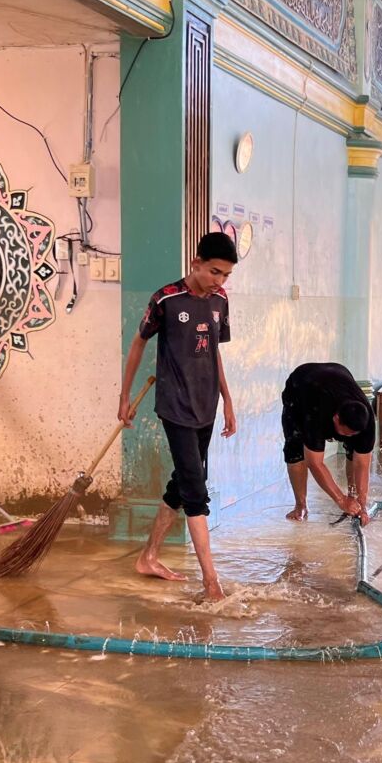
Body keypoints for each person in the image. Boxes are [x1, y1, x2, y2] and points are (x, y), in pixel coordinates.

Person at [118, 233, 239, 602]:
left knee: (185, 480)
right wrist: (125, 396)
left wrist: (228, 400)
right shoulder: (166, 299)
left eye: (226, 275)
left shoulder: (220, 300)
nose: (219, 280)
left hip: (207, 404)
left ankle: (148, 557)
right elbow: (138, 343)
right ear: (196, 263)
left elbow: (214, 352)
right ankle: (211, 583)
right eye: (214, 272)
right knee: (196, 491)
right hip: (175, 406)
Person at [281, 362, 375, 525]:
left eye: (353, 434)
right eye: (346, 432)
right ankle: (300, 506)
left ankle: (353, 499)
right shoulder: (316, 415)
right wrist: (340, 500)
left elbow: (362, 464)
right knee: (295, 451)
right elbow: (314, 463)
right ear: (336, 418)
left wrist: (362, 505)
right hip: (301, 386)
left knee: (355, 449)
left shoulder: (366, 422)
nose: (349, 436)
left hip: (338, 374)